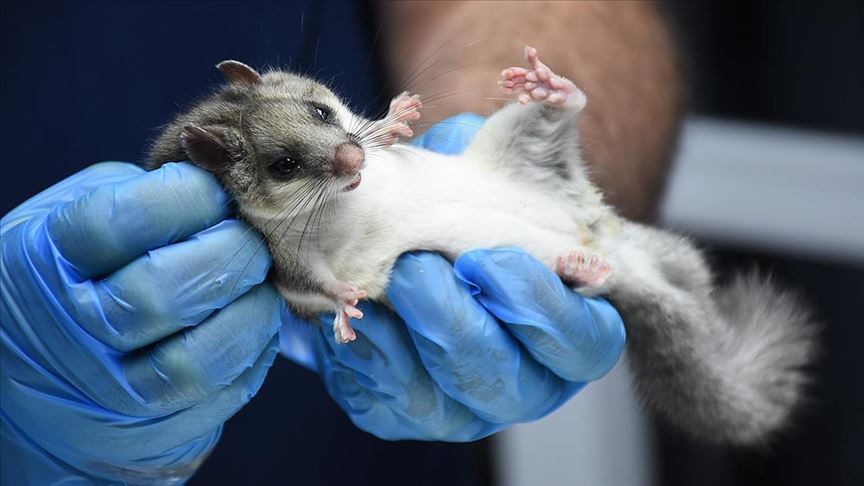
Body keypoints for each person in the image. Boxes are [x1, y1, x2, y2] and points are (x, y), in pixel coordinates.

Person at [0, 2, 680, 483]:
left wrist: (492, 185)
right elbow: (298, 274)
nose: (348, 154)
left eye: (326, 117)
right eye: (289, 164)